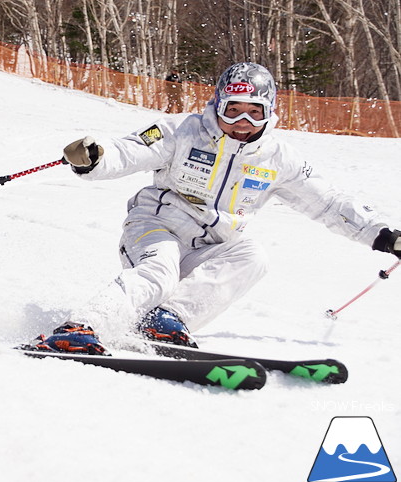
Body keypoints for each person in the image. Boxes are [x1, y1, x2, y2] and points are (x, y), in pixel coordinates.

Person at [32, 62, 401, 355]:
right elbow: (131, 150)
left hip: (211, 244)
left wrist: (382, 235)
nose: (243, 123)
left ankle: (166, 319)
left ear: (269, 113)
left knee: (253, 256)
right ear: (216, 105)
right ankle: (81, 327)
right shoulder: (182, 131)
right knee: (159, 270)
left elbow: (329, 202)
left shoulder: (278, 158)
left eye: (255, 113)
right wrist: (95, 157)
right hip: (156, 226)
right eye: (233, 110)